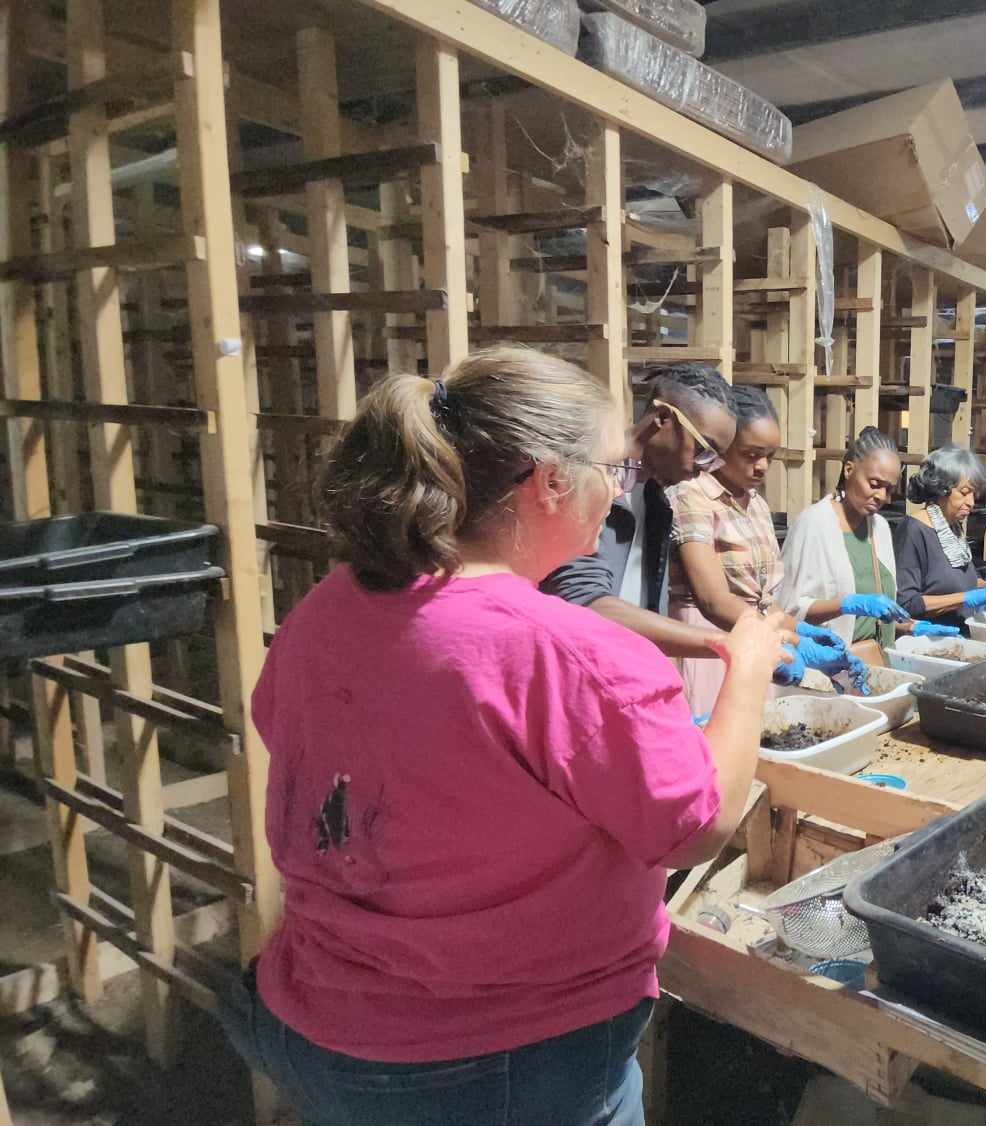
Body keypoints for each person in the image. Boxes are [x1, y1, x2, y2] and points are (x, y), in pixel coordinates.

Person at [221, 348, 788, 1125]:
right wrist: (747, 665)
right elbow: (698, 825)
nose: (618, 490)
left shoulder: (328, 606)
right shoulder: (573, 653)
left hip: (315, 1020)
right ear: (550, 480)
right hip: (497, 1060)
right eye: (612, 469)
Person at [543, 361, 844, 688]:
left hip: (620, 672)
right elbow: (585, 602)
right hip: (574, 674)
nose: (704, 469)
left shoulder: (658, 498)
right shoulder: (587, 480)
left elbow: (645, 606)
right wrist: (730, 645)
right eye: (703, 451)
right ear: (663, 419)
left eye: (715, 459)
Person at [665, 385, 785, 715]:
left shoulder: (757, 503)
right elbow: (712, 600)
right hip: (709, 639)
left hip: (752, 633)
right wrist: (778, 638)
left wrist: (796, 632)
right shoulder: (693, 495)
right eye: (751, 454)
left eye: (770, 457)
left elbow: (765, 596)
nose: (762, 466)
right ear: (724, 445)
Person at [775, 427, 913, 657]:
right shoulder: (814, 523)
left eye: (888, 489)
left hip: (874, 661)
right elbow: (787, 609)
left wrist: (911, 625)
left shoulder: (880, 528)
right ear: (849, 470)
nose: (881, 496)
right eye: (874, 484)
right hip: (827, 664)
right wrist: (845, 604)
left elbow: (876, 613)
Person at [895, 444, 986, 627]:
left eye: (974, 494)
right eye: (964, 493)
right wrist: (968, 597)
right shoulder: (914, 531)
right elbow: (907, 603)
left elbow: (958, 581)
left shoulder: (952, 527)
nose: (970, 503)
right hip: (929, 640)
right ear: (941, 488)